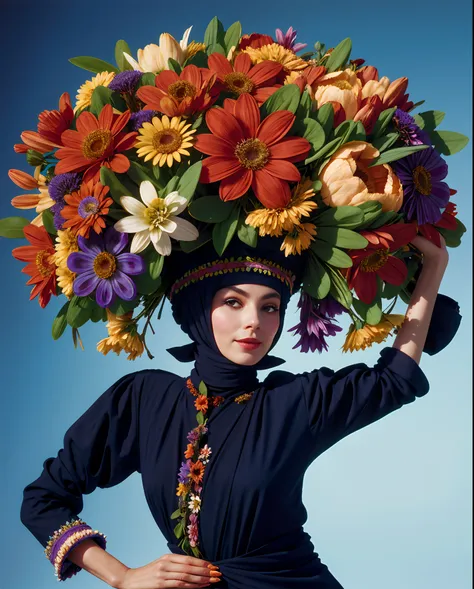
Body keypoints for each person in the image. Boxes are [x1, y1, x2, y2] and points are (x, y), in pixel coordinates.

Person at [20, 229, 456, 589]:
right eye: (233, 301)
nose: (255, 322)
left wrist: (434, 267)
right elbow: (43, 500)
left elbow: (394, 376)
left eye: (270, 308)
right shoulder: (143, 399)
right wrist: (122, 577)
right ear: (196, 308)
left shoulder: (296, 403)